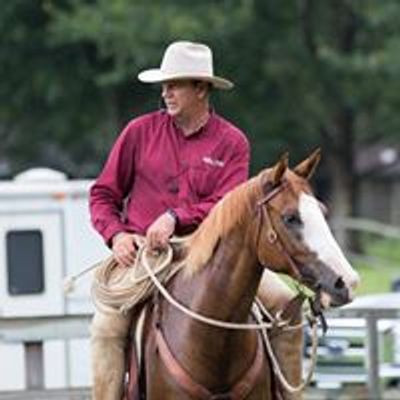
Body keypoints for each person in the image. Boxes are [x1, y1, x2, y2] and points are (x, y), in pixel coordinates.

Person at [89, 40, 303, 400]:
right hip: (146, 256)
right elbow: (103, 194)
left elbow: (227, 204)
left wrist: (176, 216)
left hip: (215, 255)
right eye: (164, 85)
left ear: (201, 88)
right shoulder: (138, 133)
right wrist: (117, 236)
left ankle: (290, 395)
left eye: (175, 85)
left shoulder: (233, 143)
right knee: (107, 326)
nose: (165, 93)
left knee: (286, 305)